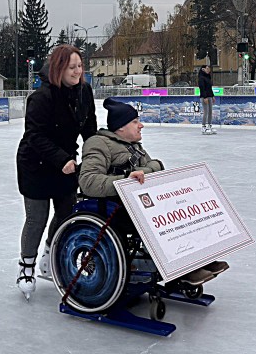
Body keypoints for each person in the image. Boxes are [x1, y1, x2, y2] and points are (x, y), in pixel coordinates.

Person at [79, 98, 228, 286]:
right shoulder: (98, 144)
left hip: (139, 202)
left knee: (184, 209)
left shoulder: (134, 146)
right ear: (121, 127)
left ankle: (195, 259)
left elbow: (154, 166)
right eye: (135, 122)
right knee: (163, 219)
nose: (141, 125)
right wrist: (126, 180)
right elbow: (88, 181)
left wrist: (147, 171)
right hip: (114, 207)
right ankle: (181, 268)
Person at [15, 44, 97, 299]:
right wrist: (62, 159)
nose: (77, 71)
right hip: (36, 165)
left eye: (80, 66)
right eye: (71, 67)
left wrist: (96, 154)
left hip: (66, 163)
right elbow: (34, 136)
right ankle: (25, 267)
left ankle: (49, 256)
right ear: (59, 68)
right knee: (36, 218)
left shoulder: (84, 92)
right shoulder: (41, 97)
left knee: (65, 212)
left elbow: (90, 129)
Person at [198, 64, 216, 134]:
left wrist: (212, 96)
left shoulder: (208, 77)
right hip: (204, 97)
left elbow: (210, 88)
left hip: (209, 96)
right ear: (203, 69)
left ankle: (209, 125)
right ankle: (203, 126)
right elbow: (202, 88)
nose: (208, 70)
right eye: (207, 68)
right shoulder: (201, 78)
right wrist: (205, 97)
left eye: (209, 68)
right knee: (206, 111)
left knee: (210, 111)